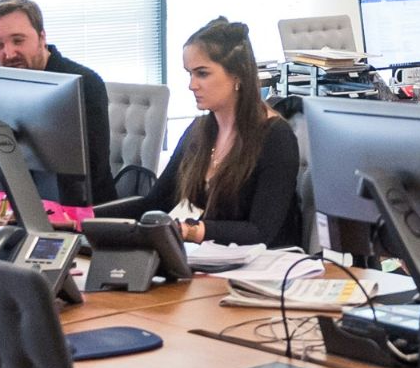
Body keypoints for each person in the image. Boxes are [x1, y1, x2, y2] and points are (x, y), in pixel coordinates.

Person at [98, 18, 301, 246]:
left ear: (238, 76)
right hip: (206, 262)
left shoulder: (275, 137)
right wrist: (81, 218)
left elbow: (260, 232)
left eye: (202, 74)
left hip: (260, 269)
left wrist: (190, 231)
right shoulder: (199, 131)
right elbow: (153, 204)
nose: (192, 85)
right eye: (190, 74)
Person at [0, 0, 114, 205]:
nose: (9, 53)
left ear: (42, 37)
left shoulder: (83, 83)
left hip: (83, 213)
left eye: (18, 40)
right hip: (19, 206)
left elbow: (92, 170)